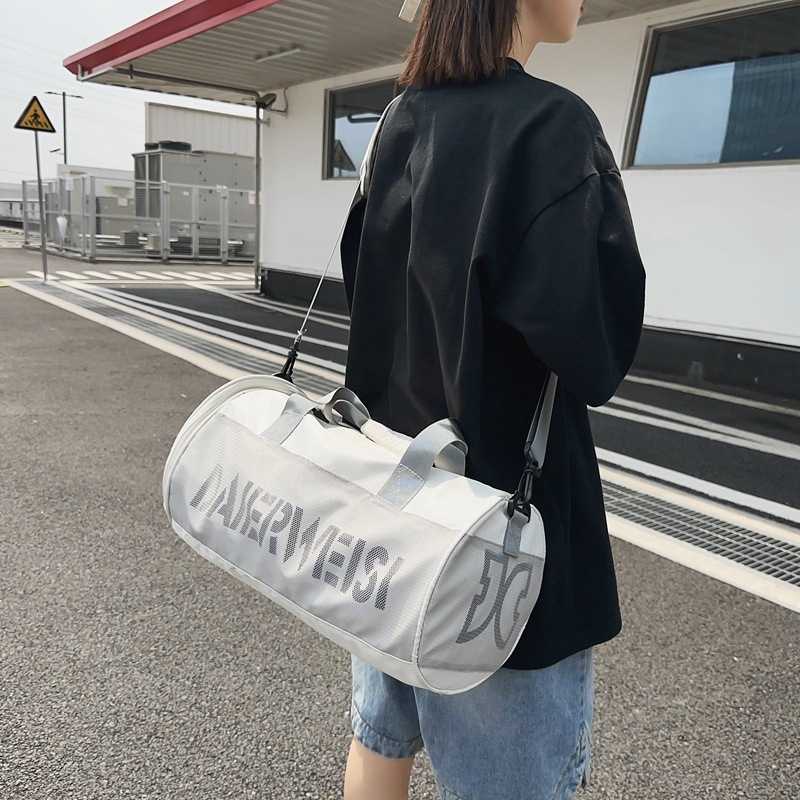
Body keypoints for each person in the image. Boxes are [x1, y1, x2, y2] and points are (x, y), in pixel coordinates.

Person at [339, 0, 646, 798]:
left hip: (391, 509)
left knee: (380, 743)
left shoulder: (396, 120)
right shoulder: (553, 129)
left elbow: (366, 298)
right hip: (503, 539)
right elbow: (597, 353)